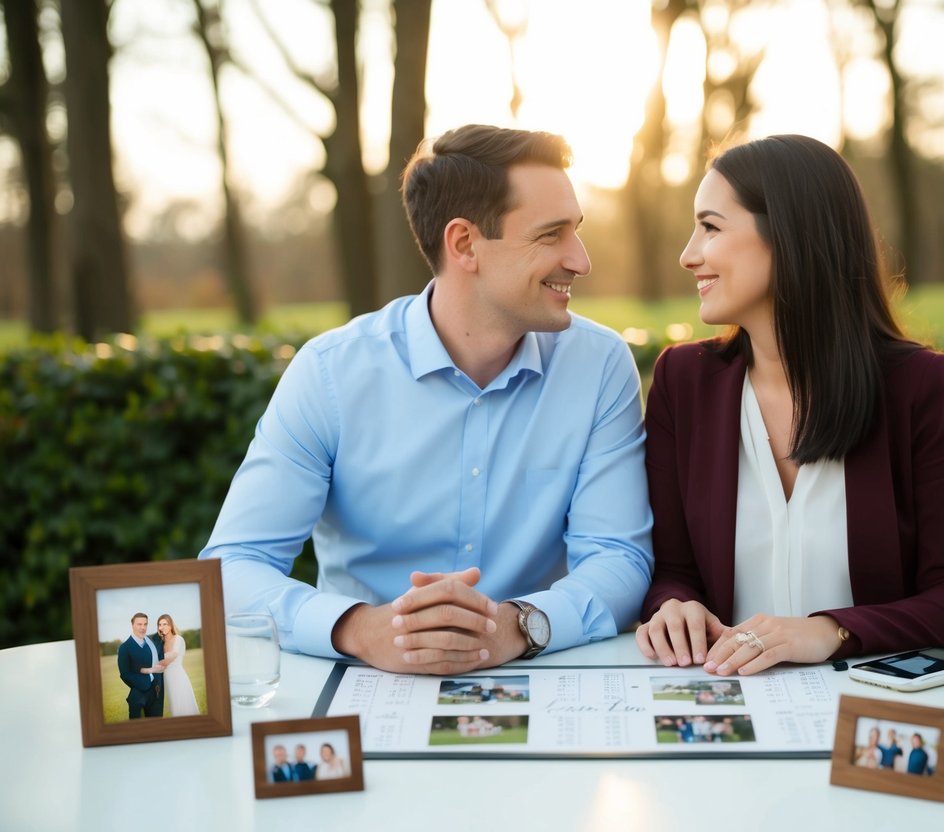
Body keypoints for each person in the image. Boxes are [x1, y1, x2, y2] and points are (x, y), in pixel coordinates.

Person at [200, 124, 653, 675]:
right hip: (361, 683)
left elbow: (619, 558)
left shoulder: (599, 365)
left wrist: (515, 626)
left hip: (541, 675)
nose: (580, 260)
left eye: (575, 231)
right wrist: (361, 628)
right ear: (464, 243)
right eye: (551, 235)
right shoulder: (330, 374)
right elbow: (231, 566)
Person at [634, 134, 944, 676]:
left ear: (788, 234)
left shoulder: (917, 386)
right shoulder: (684, 383)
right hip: (729, 703)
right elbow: (673, 568)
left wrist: (829, 631)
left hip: (868, 718)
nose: (688, 254)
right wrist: (673, 606)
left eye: (710, 226)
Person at [116, 613, 164, 719]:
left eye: (145, 624)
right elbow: (125, 674)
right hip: (138, 694)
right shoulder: (125, 648)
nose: (143, 628)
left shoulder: (150, 644)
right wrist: (146, 680)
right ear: (132, 625)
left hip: (155, 693)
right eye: (139, 624)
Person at [156, 614, 200, 717]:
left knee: (183, 706)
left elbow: (173, 655)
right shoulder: (160, 644)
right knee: (174, 709)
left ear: (170, 625)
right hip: (167, 680)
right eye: (160, 624)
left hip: (178, 678)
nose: (162, 627)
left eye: (165, 624)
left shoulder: (178, 639)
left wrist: (157, 663)